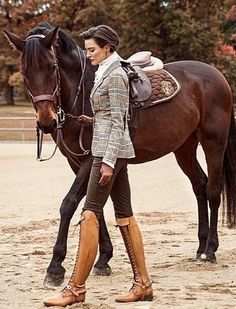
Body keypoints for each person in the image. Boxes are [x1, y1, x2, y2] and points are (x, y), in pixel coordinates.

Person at [43, 24, 153, 307]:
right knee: (125, 215)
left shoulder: (115, 74)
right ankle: (143, 284)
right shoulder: (105, 70)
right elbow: (109, 116)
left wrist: (106, 162)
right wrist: (92, 121)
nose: (87, 54)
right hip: (111, 150)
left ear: (108, 48)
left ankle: (75, 289)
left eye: (92, 49)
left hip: (107, 154)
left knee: (90, 214)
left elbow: (119, 121)